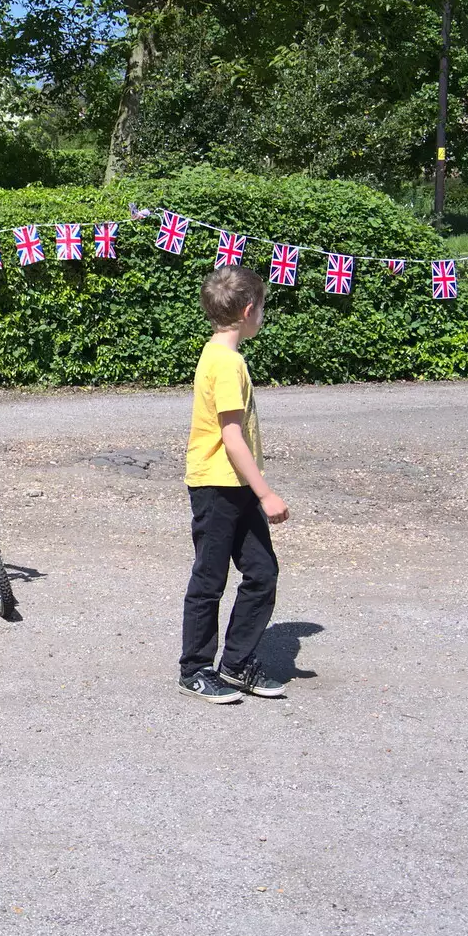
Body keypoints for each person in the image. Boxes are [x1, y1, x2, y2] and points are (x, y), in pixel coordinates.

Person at [177, 265, 290, 703]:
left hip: (235, 485)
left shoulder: (222, 355)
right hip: (217, 486)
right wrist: (266, 492)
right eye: (262, 307)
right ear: (248, 310)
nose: (263, 315)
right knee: (209, 579)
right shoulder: (227, 364)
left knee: (262, 573)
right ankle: (195, 669)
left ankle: (237, 663)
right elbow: (231, 436)